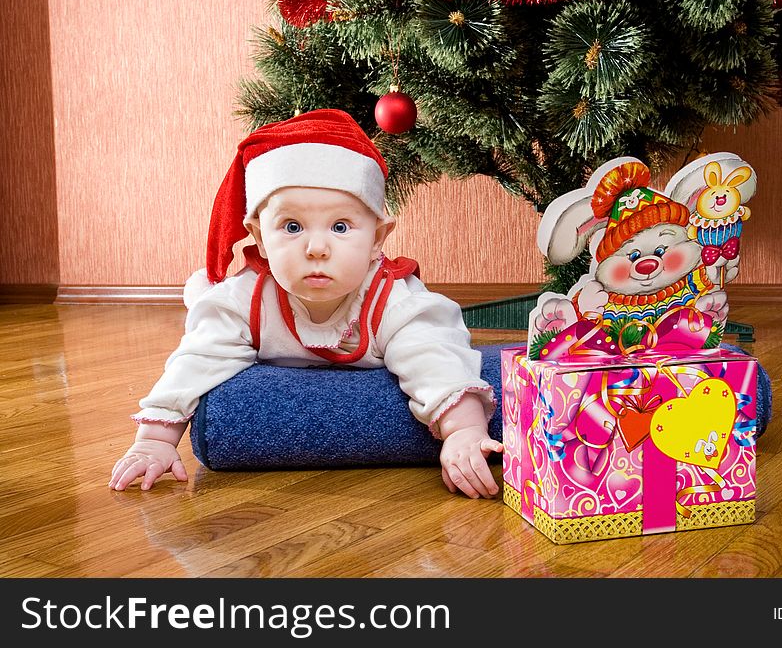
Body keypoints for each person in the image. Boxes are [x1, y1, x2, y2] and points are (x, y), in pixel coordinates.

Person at [108, 109, 500, 498]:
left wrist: (463, 430)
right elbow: (197, 359)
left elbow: (433, 356)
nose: (316, 248)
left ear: (378, 237)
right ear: (260, 238)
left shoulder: (392, 297)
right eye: (291, 227)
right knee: (207, 327)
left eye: (341, 227)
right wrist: (155, 440)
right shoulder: (247, 299)